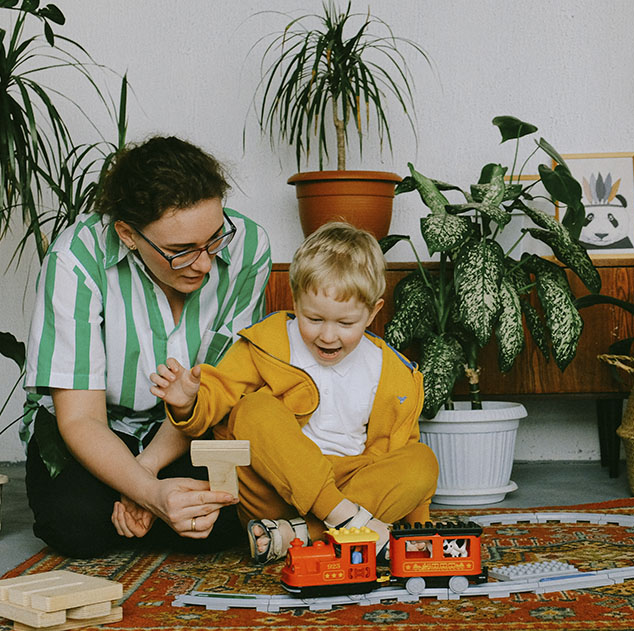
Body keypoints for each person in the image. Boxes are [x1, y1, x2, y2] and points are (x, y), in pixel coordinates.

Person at [22, 136, 272, 558]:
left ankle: (144, 510)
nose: (205, 263)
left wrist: (146, 472)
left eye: (214, 239)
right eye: (180, 251)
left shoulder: (248, 247)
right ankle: (147, 512)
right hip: (95, 428)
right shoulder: (75, 258)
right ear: (128, 235)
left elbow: (220, 388)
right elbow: (81, 419)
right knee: (77, 527)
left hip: (192, 425)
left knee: (222, 522)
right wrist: (152, 494)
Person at [149, 221, 438, 563]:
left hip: (353, 488)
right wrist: (188, 403)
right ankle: (342, 520)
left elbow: (401, 450)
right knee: (253, 409)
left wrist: (419, 531)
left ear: (373, 312)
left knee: (422, 461)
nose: (327, 336)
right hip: (274, 489)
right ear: (296, 300)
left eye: (345, 323)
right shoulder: (268, 342)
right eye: (314, 319)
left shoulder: (393, 373)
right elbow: (219, 393)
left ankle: (300, 534)